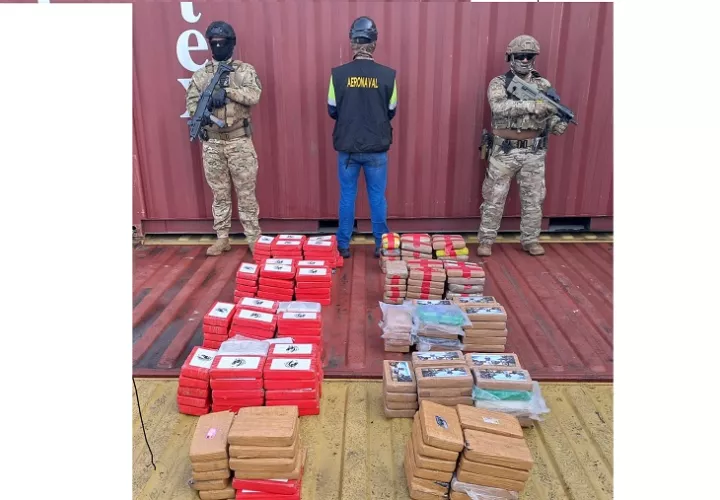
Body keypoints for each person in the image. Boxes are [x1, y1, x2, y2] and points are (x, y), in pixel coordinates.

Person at [476, 35, 569, 257]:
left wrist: (557, 123)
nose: (525, 60)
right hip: (504, 151)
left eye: (529, 56)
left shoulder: (543, 85)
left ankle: (530, 240)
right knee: (494, 198)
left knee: (533, 199)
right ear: (511, 57)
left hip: (533, 151)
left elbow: (548, 115)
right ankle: (486, 241)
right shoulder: (500, 83)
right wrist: (533, 105)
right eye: (520, 55)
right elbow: (499, 106)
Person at [185, 21, 263, 256]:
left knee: (246, 193)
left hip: (239, 141)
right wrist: (205, 109)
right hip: (213, 143)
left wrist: (228, 92)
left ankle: (254, 238)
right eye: (214, 42)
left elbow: (254, 95)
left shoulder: (244, 71)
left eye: (223, 42)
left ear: (231, 43)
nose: (219, 46)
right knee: (219, 194)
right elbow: (192, 105)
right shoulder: (201, 76)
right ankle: (222, 238)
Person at [327, 16, 398, 259]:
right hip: (376, 148)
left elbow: (332, 110)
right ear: (374, 43)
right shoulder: (388, 76)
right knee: (377, 197)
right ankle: (381, 245)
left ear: (352, 43)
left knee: (347, 196)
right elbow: (391, 110)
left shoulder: (338, 75)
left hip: (347, 148)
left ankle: (343, 245)